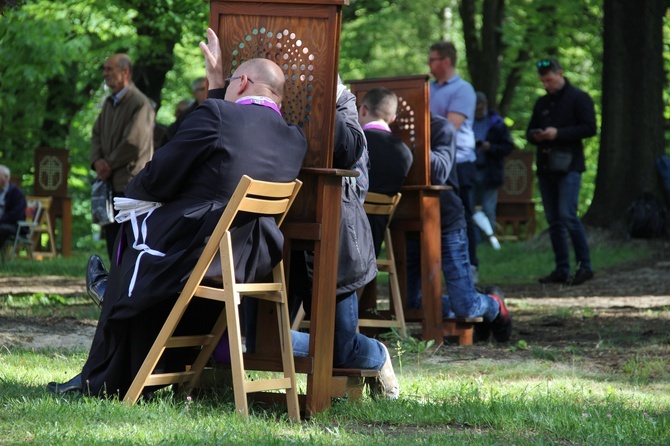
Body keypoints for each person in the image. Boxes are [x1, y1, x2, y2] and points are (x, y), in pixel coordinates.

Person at [46, 28, 309, 398]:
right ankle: (124, 306)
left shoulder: (217, 116)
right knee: (146, 248)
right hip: (251, 257)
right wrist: (220, 85)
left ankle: (103, 357)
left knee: (132, 234)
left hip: (196, 250)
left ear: (244, 82)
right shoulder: (295, 140)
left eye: (232, 82)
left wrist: (143, 192)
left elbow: (157, 175)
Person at [287, 79, 400, 399]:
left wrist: (328, 96)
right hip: (286, 238)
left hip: (336, 246)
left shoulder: (346, 111)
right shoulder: (280, 101)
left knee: (340, 351)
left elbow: (345, 152)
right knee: (254, 341)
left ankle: (376, 354)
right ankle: (308, 345)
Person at [405, 113, 512, 343]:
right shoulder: (385, 129)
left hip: (447, 221)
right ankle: (465, 312)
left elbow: (440, 171)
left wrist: (413, 141)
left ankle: (493, 304)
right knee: (411, 303)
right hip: (409, 221)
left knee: (465, 306)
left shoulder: (440, 127)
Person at [527, 58, 597, 286]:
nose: (546, 84)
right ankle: (561, 268)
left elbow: (590, 128)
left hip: (569, 166)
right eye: (543, 81)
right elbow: (529, 131)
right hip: (547, 167)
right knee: (553, 220)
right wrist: (537, 135)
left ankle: (584, 266)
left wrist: (559, 134)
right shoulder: (542, 103)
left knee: (568, 215)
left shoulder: (579, 98)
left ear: (560, 74)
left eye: (549, 79)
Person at [90, 53, 154, 261]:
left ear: (125, 72)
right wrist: (97, 161)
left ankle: (128, 291)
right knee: (112, 241)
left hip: (130, 185)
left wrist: (107, 163)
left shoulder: (140, 103)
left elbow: (133, 143)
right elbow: (96, 134)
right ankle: (114, 290)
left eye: (109, 69)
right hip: (110, 184)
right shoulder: (109, 103)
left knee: (129, 244)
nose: (104, 74)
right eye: (104, 69)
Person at [428, 41, 480, 283]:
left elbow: (450, 126)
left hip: (459, 161)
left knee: (463, 214)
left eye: (433, 60)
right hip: (435, 160)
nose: (429, 64)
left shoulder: (463, 89)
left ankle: (470, 267)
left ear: (446, 61)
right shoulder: (429, 88)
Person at [357, 87, 413, 256]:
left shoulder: (357, 142)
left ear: (363, 110)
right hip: (378, 234)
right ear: (393, 118)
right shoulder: (406, 152)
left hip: (348, 230)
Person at [473, 91, 515, 238]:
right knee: (471, 207)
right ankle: (476, 241)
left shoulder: (496, 123)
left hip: (491, 171)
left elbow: (508, 146)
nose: (476, 110)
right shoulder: (466, 121)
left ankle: (489, 240)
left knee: (488, 208)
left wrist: (490, 147)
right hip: (471, 170)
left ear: (484, 104)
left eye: (478, 107)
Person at [0, 165, 27, 249]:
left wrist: (1, 219)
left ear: (6, 177)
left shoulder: (17, 193)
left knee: (1, 229)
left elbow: (16, 214)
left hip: (14, 225)